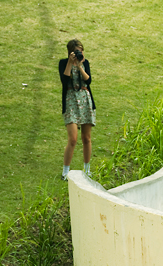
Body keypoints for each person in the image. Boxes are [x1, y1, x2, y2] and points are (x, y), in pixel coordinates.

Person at [59, 39, 96, 180]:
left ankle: (87, 170)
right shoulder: (63, 63)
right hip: (71, 101)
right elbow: (64, 80)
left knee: (86, 138)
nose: (80, 53)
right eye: (77, 51)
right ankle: (65, 172)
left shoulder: (85, 63)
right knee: (73, 139)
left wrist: (80, 66)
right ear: (70, 52)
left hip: (85, 100)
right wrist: (70, 62)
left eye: (81, 50)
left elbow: (88, 80)